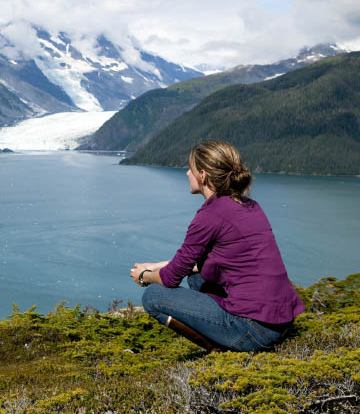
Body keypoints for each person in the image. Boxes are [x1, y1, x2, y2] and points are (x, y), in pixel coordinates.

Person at [130, 140, 305, 352]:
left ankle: (219, 352)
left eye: (191, 169)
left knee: (153, 296)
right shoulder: (246, 204)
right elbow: (197, 263)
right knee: (197, 277)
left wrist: (144, 276)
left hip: (254, 330)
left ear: (203, 176)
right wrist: (157, 265)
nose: (187, 173)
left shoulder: (210, 215)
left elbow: (170, 278)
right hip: (281, 321)